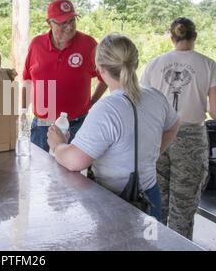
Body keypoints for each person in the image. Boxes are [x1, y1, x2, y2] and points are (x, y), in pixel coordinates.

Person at [47, 33, 180, 220]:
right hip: (150, 197)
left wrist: (58, 144)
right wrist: (151, 154)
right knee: (150, 245)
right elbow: (174, 125)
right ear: (135, 63)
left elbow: (74, 162)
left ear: (100, 68)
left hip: (116, 201)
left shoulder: (106, 109)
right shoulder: (156, 97)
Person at [141, 17, 216, 239]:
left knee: (155, 201)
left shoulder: (154, 64)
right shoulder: (209, 65)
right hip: (190, 139)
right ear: (194, 36)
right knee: (184, 207)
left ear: (172, 37)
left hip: (157, 136)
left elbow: (144, 104)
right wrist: (200, 102)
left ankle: (152, 244)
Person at [22, 0, 107, 153]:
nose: (69, 27)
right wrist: (22, 112)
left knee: (73, 175)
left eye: (72, 20)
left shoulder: (88, 45)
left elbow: (105, 78)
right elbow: (28, 80)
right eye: (62, 23)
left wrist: (92, 102)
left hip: (77, 126)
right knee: (38, 174)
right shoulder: (36, 45)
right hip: (43, 127)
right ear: (50, 23)